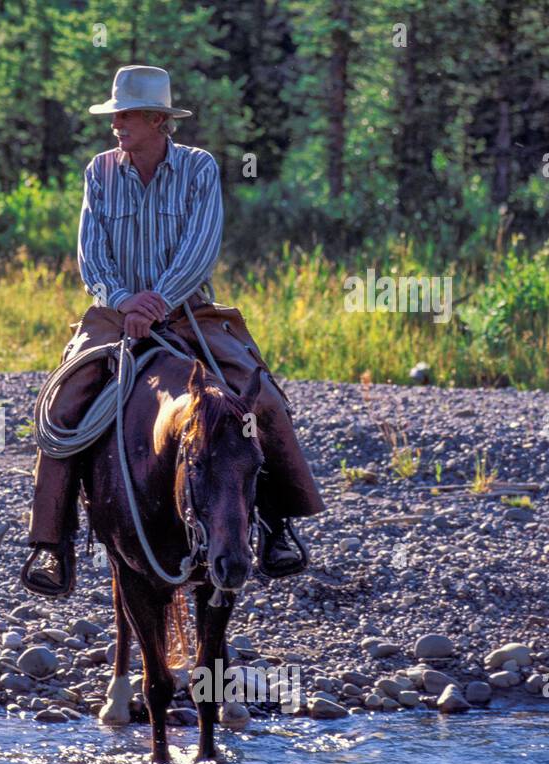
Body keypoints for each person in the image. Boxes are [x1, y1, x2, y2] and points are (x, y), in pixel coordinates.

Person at [20, 65, 325, 597]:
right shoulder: (100, 170)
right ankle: (53, 543)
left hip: (189, 311)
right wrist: (123, 300)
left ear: (159, 120)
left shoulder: (198, 169)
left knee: (263, 398)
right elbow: (90, 253)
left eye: (127, 115)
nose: (117, 124)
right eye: (114, 115)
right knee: (62, 407)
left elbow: (201, 246)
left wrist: (157, 301)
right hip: (115, 312)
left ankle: (278, 525)